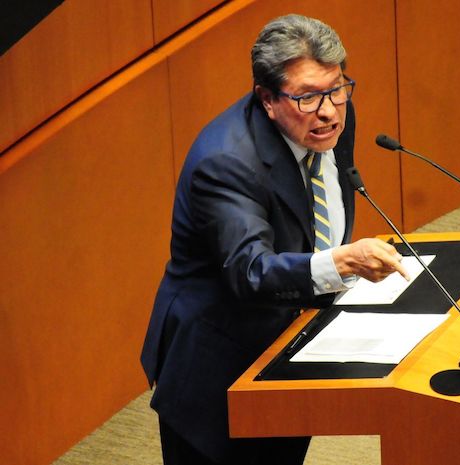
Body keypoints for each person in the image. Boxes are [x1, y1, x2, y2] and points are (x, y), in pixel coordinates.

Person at [140, 14, 409, 465]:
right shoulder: (226, 162)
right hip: (218, 364)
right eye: (307, 96)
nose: (327, 110)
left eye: (336, 88)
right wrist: (340, 263)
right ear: (267, 99)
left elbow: (317, 203)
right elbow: (251, 270)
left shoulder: (330, 114)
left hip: (286, 343)